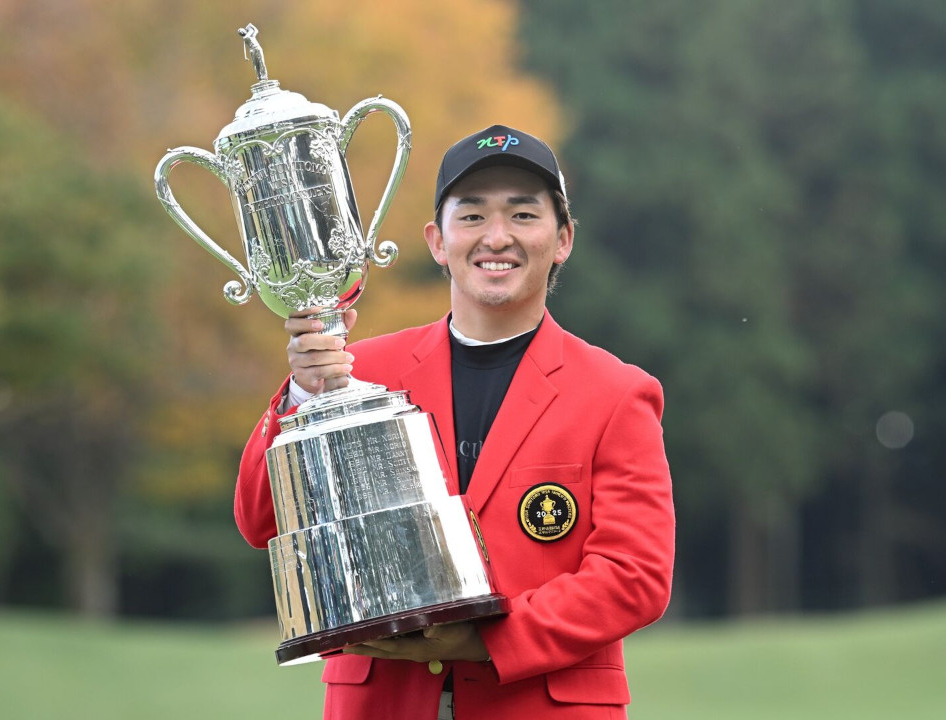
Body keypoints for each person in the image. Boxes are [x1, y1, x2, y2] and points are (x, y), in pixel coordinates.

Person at [234, 124, 675, 720]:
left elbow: (633, 576)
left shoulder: (616, 393)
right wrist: (301, 395)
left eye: (523, 215)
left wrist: (486, 639)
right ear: (437, 241)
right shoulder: (356, 372)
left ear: (564, 239)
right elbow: (261, 521)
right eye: (471, 216)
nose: (497, 237)